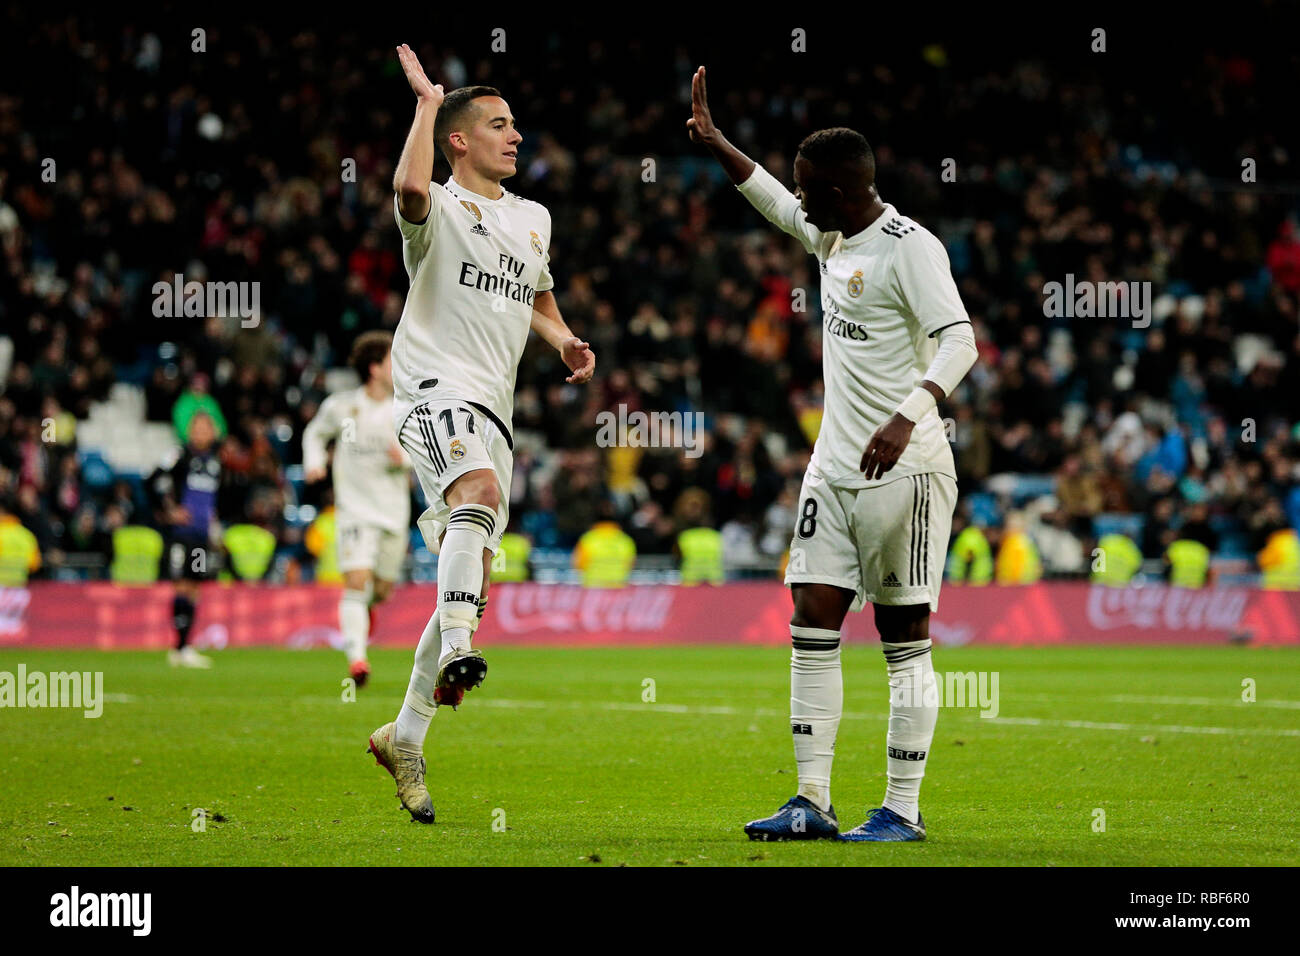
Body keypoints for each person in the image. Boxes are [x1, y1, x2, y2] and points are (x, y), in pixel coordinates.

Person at [689, 67, 977, 843]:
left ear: (846, 192)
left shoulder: (910, 249)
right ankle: (810, 801)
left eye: (810, 188)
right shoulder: (832, 233)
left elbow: (960, 341)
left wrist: (908, 414)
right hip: (834, 471)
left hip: (908, 469)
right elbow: (775, 203)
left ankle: (903, 810)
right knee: (811, 620)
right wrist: (718, 144)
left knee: (902, 635)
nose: (800, 198)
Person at [367, 45, 595, 824]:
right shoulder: (434, 208)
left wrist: (562, 340)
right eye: (500, 125)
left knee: (473, 563)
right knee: (479, 494)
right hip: (432, 389)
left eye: (516, 124)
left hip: (495, 408)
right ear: (460, 140)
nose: (517, 136)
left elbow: (535, 294)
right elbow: (404, 187)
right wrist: (427, 108)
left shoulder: (532, 219)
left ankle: (406, 732)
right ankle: (462, 646)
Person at [303, 331, 411, 687]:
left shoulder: (404, 409)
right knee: (356, 581)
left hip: (393, 512)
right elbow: (315, 434)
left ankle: (365, 613)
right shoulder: (341, 406)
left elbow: (426, 454)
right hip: (354, 510)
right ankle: (357, 659)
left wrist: (405, 460)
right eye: (392, 361)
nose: (399, 367)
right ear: (374, 367)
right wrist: (314, 462)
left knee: (380, 589)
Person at [148, 411, 225, 668]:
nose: (202, 432)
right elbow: (153, 479)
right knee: (181, 584)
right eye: (198, 428)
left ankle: (186, 646)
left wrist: (213, 523)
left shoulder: (214, 462)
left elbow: (212, 498)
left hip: (202, 536)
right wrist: (169, 510)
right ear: (190, 431)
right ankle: (178, 647)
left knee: (194, 586)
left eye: (207, 428)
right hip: (181, 534)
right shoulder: (178, 455)